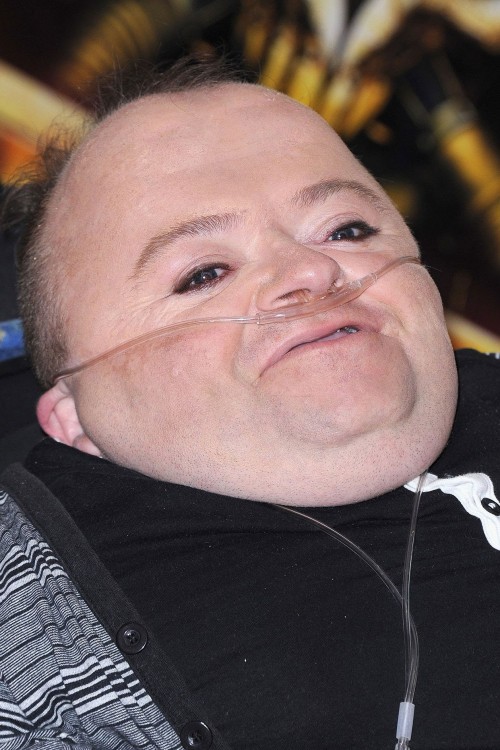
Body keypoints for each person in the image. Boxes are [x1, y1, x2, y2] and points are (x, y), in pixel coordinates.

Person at [0, 57, 499, 750]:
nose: (311, 269)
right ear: (75, 419)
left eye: (348, 230)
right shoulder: (32, 643)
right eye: (204, 273)